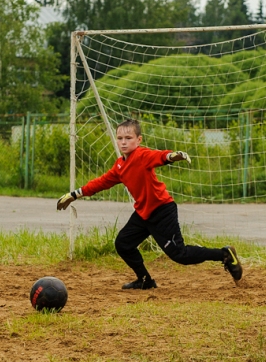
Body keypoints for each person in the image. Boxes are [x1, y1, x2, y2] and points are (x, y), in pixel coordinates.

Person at [57, 118, 242, 289]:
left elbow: (159, 156)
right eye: (120, 138)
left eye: (128, 138)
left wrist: (172, 156)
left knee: (181, 255)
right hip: (143, 213)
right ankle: (145, 280)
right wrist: (74, 194)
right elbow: (101, 182)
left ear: (138, 140)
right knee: (123, 244)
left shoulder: (141, 155)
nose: (123, 142)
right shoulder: (120, 166)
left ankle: (225, 254)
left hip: (162, 211)